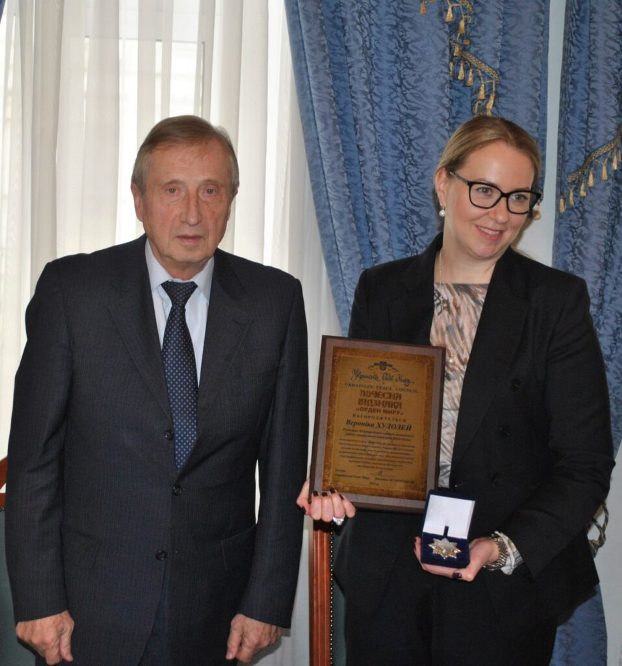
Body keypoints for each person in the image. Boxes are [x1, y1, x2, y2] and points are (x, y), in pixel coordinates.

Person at [298, 116, 614, 665]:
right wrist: (337, 481)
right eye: (484, 190)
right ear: (444, 184)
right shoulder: (382, 288)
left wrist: (503, 547)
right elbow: (368, 423)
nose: (501, 213)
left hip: (500, 589)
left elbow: (584, 464)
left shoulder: (555, 302)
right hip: (388, 578)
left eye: (519, 198)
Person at [6, 115, 309, 666]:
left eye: (210, 191)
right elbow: (33, 461)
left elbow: (285, 469)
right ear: (139, 200)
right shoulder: (72, 292)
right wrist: (39, 600)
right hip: (88, 612)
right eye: (172, 190)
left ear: (231, 200)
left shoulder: (276, 303)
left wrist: (266, 601)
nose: (192, 213)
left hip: (218, 614)